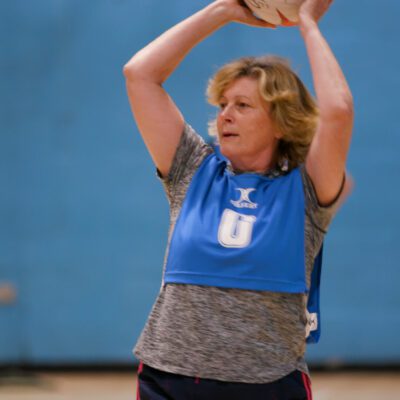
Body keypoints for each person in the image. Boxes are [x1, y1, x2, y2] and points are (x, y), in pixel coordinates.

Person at [123, 0, 354, 399]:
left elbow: (338, 110)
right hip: (169, 378)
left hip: (267, 382)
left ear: (282, 122)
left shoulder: (305, 190)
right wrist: (223, 10)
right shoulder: (192, 169)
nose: (225, 115)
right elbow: (140, 74)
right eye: (223, 105)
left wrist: (308, 24)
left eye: (243, 106)